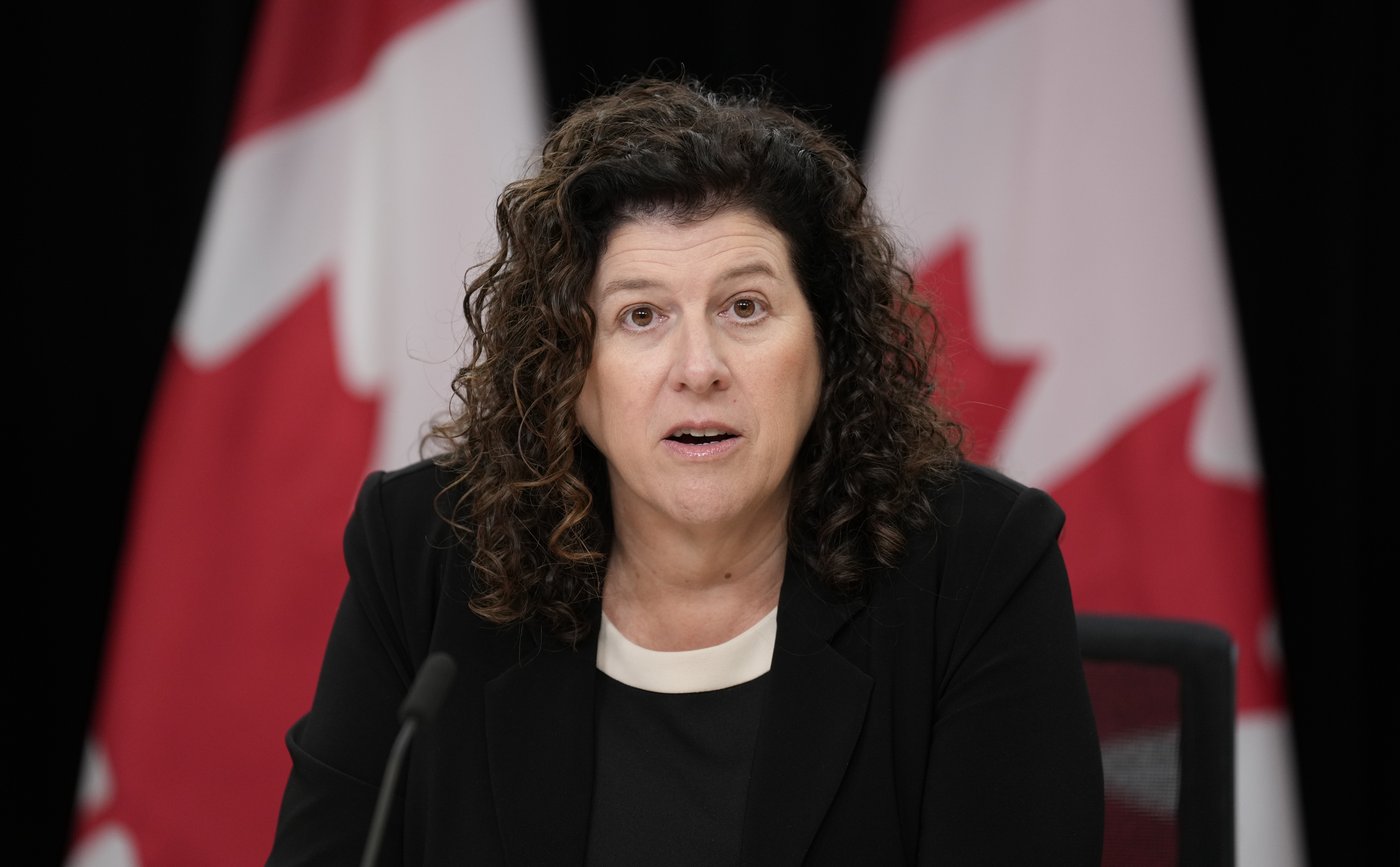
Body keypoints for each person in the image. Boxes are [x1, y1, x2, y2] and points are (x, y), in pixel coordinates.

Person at [265, 75, 1104, 866]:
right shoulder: (428, 553)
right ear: (567, 369)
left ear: (828, 347)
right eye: (640, 315)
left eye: (745, 306)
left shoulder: (976, 566)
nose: (698, 367)